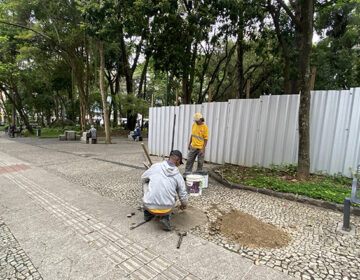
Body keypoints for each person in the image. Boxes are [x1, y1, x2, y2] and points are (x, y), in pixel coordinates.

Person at [141, 150, 188, 231]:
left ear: (169, 158)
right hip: (166, 209)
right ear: (177, 161)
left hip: (149, 205)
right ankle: (165, 218)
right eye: (180, 163)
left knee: (145, 183)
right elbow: (183, 194)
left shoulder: (155, 166)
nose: (179, 165)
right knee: (173, 193)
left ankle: (147, 214)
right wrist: (184, 204)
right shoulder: (178, 176)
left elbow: (143, 178)